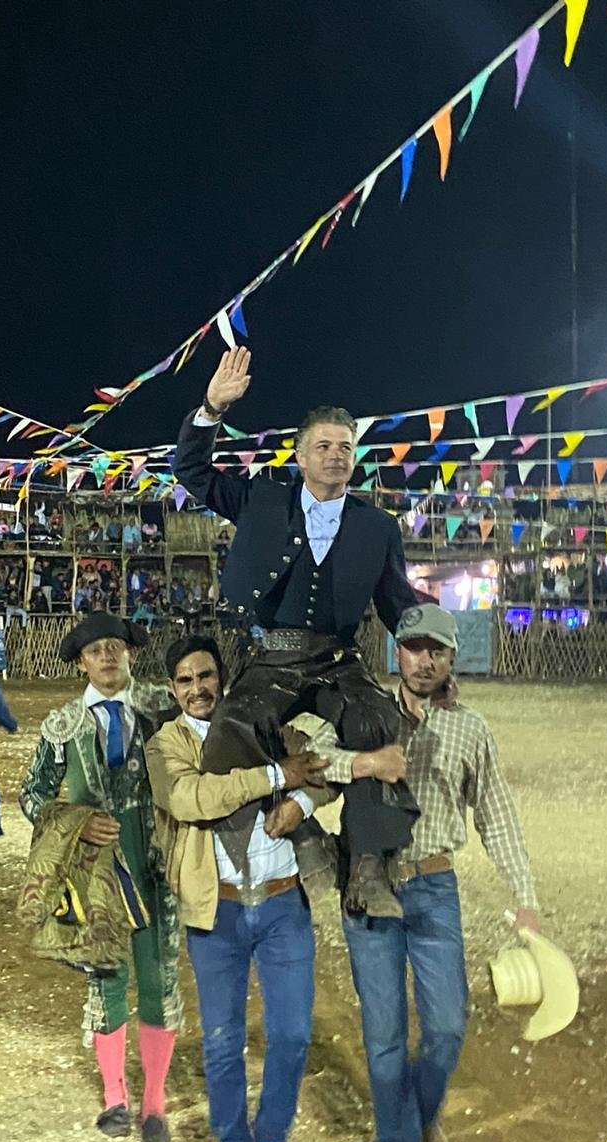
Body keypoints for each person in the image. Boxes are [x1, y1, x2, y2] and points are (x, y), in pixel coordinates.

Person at [310, 604, 541, 1142]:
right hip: (370, 884)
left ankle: (420, 1117)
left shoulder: (470, 729)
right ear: (398, 653)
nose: (424, 659)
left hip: (435, 886)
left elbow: (496, 815)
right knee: (384, 1031)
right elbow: (314, 760)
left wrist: (526, 898)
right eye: (413, 647)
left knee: (446, 1025)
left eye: (436, 649)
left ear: (451, 657)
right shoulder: (363, 714)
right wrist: (367, 762)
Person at [174, 345, 420, 918]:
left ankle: (367, 865)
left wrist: (428, 658)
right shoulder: (262, 497)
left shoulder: (378, 528)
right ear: (301, 455)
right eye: (324, 447)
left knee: (378, 722)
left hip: (338, 659)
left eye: (345, 447)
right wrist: (212, 407)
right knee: (230, 731)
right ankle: (303, 836)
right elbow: (192, 472)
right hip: (270, 656)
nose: (336, 456)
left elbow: (398, 606)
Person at [146, 636, 343, 1142]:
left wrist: (302, 802)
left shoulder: (266, 723)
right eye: (185, 680)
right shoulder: (165, 745)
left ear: (222, 678)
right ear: (172, 690)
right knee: (223, 1040)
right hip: (218, 909)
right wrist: (276, 776)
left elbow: (325, 770)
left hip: (283, 903)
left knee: (292, 1032)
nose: (197, 689)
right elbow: (192, 798)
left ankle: (272, 1141)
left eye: (205, 676)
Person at [20, 614, 180, 1142]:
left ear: (130, 653)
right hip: (95, 866)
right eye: (95, 651)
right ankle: (115, 1097)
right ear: (82, 663)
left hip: (154, 856)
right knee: (106, 974)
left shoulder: (163, 707)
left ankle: (154, 1102)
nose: (107, 656)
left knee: (157, 975)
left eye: (115, 646)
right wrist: (77, 821)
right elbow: (32, 795)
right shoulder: (63, 725)